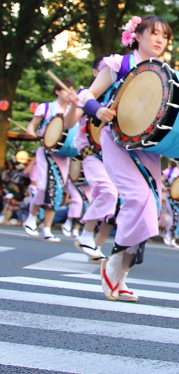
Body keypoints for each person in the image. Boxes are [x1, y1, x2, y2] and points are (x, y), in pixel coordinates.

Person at [79, 14, 172, 302]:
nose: (159, 40)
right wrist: (98, 110)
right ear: (138, 35)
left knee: (149, 207)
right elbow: (85, 95)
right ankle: (115, 264)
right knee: (137, 198)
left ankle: (120, 276)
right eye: (154, 33)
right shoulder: (118, 64)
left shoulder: (165, 72)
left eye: (165, 36)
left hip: (148, 148)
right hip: (118, 141)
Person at [74, 57, 118, 261]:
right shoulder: (86, 95)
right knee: (108, 192)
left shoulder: (116, 96)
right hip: (91, 153)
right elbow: (67, 124)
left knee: (116, 202)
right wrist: (73, 105)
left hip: (114, 154)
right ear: (96, 73)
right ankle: (85, 233)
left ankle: (94, 245)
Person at [23, 78, 77, 242]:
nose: (69, 93)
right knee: (43, 186)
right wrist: (31, 131)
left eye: (71, 90)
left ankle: (47, 228)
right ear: (57, 92)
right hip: (46, 151)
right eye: (65, 90)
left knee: (58, 190)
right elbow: (32, 125)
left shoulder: (72, 109)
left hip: (64, 153)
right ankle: (32, 218)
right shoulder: (46, 107)